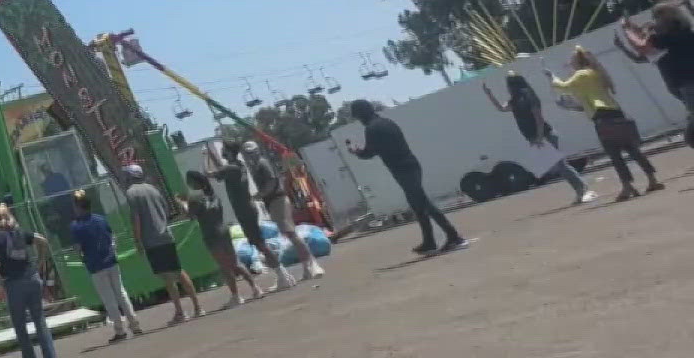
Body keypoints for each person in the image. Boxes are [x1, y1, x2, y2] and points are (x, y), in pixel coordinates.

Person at [345, 100, 465, 255]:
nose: (359, 120)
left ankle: (454, 236)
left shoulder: (371, 129)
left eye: (358, 116)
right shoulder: (387, 122)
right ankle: (429, 241)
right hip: (411, 165)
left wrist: (355, 151)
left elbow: (369, 153)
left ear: (361, 114)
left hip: (402, 169)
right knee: (417, 205)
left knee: (423, 203)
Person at [548, 47, 662, 201]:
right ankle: (652, 179)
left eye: (572, 60)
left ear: (577, 61)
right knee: (633, 150)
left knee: (615, 154)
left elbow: (563, 87)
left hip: (602, 117)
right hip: (616, 112)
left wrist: (552, 77)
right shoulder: (596, 72)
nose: (570, 63)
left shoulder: (581, 74)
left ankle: (628, 187)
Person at [480, 71, 593, 204]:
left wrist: (539, 137)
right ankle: (581, 188)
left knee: (561, 166)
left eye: (509, 85)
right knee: (559, 166)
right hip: (537, 137)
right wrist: (489, 94)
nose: (508, 88)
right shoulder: (516, 100)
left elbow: (538, 118)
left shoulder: (529, 97)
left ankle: (582, 189)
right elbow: (502, 108)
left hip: (544, 135)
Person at [207, 139, 296, 291]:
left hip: (245, 211)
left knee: (260, 243)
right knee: (259, 243)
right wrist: (211, 153)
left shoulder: (232, 168)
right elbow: (220, 169)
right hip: (246, 209)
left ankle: (283, 275)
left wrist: (205, 157)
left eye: (224, 149)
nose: (222, 152)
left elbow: (208, 173)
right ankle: (284, 275)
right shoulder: (235, 167)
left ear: (229, 152)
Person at [122, 165, 202, 323]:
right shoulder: (153, 189)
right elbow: (165, 212)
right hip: (166, 235)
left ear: (130, 177)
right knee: (178, 271)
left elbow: (136, 219)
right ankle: (197, 307)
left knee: (167, 277)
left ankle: (180, 312)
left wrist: (138, 241)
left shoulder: (131, 193)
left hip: (151, 240)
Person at [615, 0, 694, 149]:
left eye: (656, 17)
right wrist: (632, 29)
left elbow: (642, 46)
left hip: (688, 85)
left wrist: (626, 29)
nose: (654, 21)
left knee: (691, 136)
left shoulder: (667, 38)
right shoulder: (682, 34)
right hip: (683, 87)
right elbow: (645, 47)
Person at [239, 143, 324, 280]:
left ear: (257, 151)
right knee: (290, 234)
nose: (250, 156)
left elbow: (272, 183)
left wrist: (258, 195)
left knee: (291, 233)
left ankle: (312, 264)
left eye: (251, 153)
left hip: (278, 200)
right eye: (247, 153)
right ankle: (307, 267)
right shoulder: (255, 166)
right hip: (273, 202)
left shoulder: (262, 163)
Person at [0, 201, 58, 358]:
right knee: (39, 321)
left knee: (20, 325)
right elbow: (42, 240)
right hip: (32, 277)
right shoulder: (20, 233)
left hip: (13, 283)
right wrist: (41, 260)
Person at [69, 188, 141, 341]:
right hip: (111, 261)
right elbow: (112, 237)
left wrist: (82, 257)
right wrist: (112, 249)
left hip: (95, 265)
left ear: (78, 206)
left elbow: (78, 248)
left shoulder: (76, 226)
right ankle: (135, 324)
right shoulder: (100, 218)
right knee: (121, 293)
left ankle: (120, 330)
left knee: (109, 299)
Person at [183, 169, 261, 308]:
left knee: (224, 266)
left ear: (193, 181)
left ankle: (236, 296)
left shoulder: (195, 197)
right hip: (223, 229)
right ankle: (255, 287)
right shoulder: (213, 195)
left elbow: (190, 216)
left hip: (211, 234)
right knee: (235, 262)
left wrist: (182, 204)